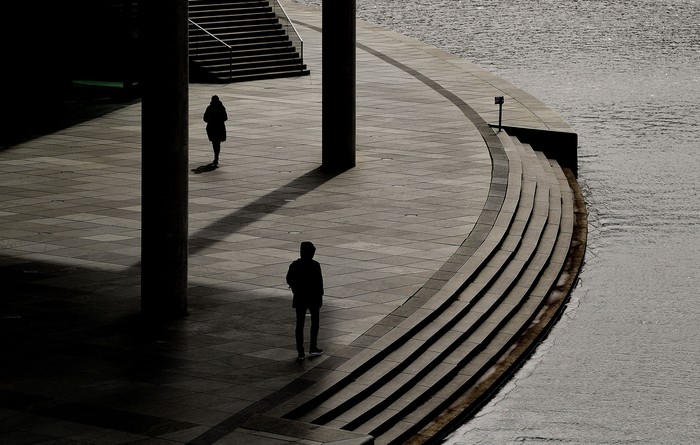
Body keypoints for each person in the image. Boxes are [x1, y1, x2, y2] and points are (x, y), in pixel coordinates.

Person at [286, 241, 324, 361]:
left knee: (300, 324)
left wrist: (295, 289)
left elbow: (289, 279)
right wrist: (320, 296)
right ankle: (312, 346)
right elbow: (319, 283)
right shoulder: (315, 265)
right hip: (313, 297)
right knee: (314, 322)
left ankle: (300, 350)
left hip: (301, 297)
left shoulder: (295, 265)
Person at [203, 95, 228, 167]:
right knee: (217, 143)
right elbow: (225, 117)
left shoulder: (209, 108)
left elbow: (205, 118)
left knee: (214, 143)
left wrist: (211, 120)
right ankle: (216, 155)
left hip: (212, 127)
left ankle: (216, 155)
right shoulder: (221, 108)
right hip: (219, 127)